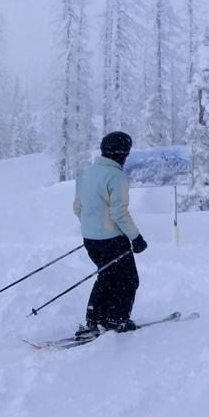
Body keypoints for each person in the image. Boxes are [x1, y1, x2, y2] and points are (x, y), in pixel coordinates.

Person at [73, 131, 148, 338]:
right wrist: (136, 238)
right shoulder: (117, 176)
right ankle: (117, 321)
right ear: (122, 154)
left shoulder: (86, 173)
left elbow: (77, 208)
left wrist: (93, 229)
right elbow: (119, 212)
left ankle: (95, 319)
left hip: (90, 239)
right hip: (112, 239)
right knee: (127, 280)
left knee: (106, 276)